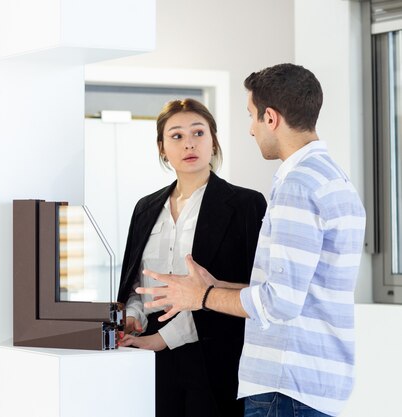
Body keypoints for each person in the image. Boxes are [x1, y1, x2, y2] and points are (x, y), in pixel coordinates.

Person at [137, 64, 366, 417]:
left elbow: (280, 302)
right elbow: (294, 289)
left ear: (270, 118)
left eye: (252, 117)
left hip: (284, 385)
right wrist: (220, 285)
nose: (250, 129)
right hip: (309, 384)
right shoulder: (330, 177)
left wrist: (202, 295)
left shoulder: (297, 185)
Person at [117, 98, 267, 417]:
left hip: (216, 355)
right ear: (162, 148)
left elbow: (257, 290)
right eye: (176, 136)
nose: (189, 143)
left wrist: (164, 338)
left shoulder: (246, 205)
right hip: (148, 354)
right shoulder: (145, 208)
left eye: (198, 133)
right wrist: (133, 318)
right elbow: (136, 283)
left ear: (213, 141)